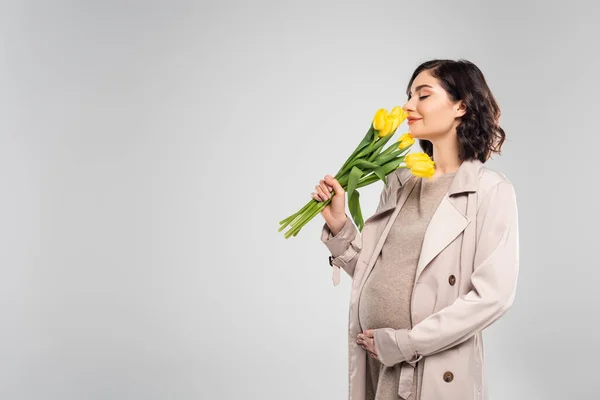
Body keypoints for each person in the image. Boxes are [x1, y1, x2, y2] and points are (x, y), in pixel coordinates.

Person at [311, 59, 519, 400]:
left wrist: (406, 344)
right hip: (378, 362)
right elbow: (375, 273)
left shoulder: (490, 191)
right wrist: (339, 225)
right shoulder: (401, 181)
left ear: (461, 106)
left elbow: (492, 297)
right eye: (409, 95)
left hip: (431, 366)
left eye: (423, 95)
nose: (408, 106)